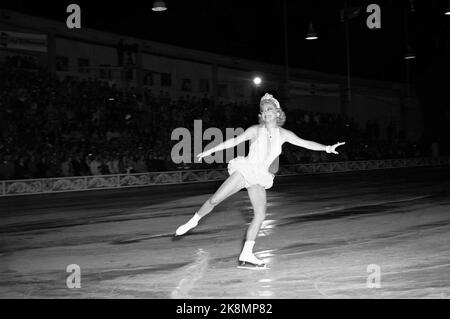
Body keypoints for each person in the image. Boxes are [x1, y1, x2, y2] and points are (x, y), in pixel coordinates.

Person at [174, 93, 345, 269]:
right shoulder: (255, 130)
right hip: (246, 169)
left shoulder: (284, 134)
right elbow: (233, 141)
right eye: (263, 110)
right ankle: (193, 221)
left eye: (270, 109)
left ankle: (246, 254)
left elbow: (306, 143)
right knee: (215, 200)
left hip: (260, 176)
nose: (266, 112)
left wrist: (328, 148)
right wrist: (210, 151)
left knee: (260, 215)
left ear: (278, 113)